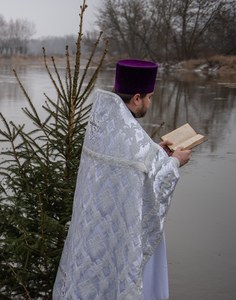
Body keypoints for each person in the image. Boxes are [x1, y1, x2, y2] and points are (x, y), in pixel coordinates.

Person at [52, 59, 192, 300]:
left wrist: (159, 152)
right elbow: (153, 192)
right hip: (123, 239)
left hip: (93, 236)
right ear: (136, 98)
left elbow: (132, 165)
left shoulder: (102, 128)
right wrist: (175, 162)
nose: (150, 102)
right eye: (149, 97)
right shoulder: (133, 139)